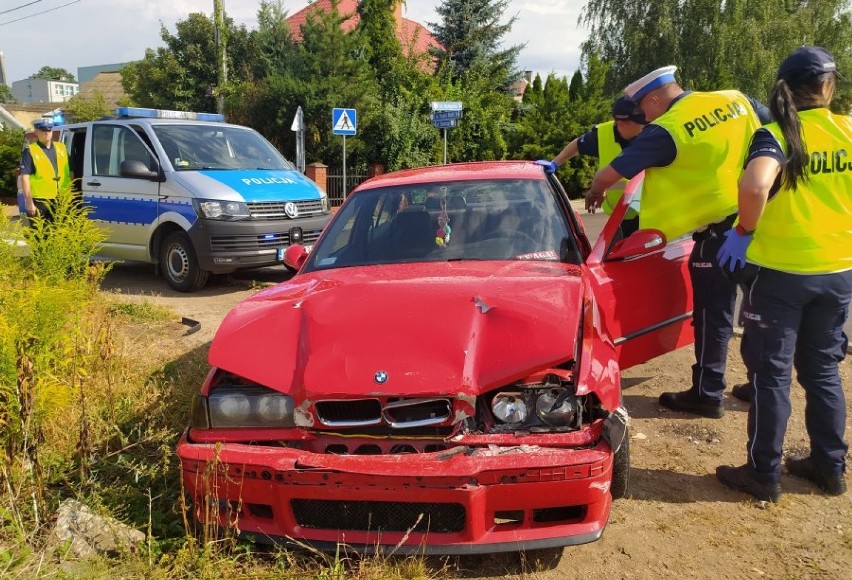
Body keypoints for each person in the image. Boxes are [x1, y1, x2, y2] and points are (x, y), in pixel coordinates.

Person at [585, 65, 770, 419]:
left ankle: (707, 392)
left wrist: (596, 189)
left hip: (717, 238)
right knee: (762, 310)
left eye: (644, 107)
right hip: (758, 225)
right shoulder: (734, 99)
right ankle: (761, 384)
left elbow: (611, 172)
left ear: (655, 98)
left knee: (713, 315)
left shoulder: (666, 130)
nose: (644, 115)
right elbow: (776, 129)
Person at [715, 46, 850, 502]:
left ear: (784, 89)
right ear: (829, 87)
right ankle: (830, 467)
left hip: (780, 275)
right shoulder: (848, 129)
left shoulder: (775, 134)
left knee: (770, 376)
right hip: (837, 271)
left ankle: (763, 474)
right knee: (823, 371)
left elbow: (755, 185)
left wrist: (743, 230)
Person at [536, 95, 647, 216]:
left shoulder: (653, 134)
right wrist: (555, 163)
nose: (644, 126)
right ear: (620, 123)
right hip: (619, 216)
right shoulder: (603, 134)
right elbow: (578, 144)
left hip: (650, 212)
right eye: (640, 123)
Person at [19, 118, 71, 224]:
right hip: (40, 200)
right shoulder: (30, 151)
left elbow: (70, 172)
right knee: (41, 235)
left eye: (49, 130)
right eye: (43, 130)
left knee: (60, 234)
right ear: (36, 132)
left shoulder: (62, 148)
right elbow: (25, 178)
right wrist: (29, 203)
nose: (47, 133)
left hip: (61, 198)